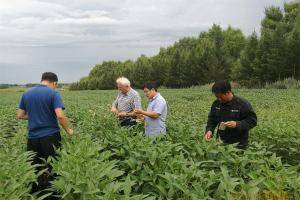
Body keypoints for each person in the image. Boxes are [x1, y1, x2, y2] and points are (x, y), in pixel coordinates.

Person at [17, 72, 73, 194]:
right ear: (54, 83)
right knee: (53, 166)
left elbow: (20, 115)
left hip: (32, 139)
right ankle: (53, 194)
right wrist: (68, 130)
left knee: (35, 167)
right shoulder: (53, 93)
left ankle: (36, 193)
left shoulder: (26, 93)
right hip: (50, 137)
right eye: (56, 85)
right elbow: (60, 116)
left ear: (42, 80)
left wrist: (34, 115)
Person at [204, 80, 257, 149]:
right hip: (221, 142)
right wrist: (209, 130)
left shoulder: (242, 104)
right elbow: (212, 119)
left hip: (239, 144)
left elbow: (252, 121)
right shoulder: (216, 104)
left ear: (228, 92)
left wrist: (237, 124)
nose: (219, 99)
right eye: (217, 97)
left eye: (220, 96)